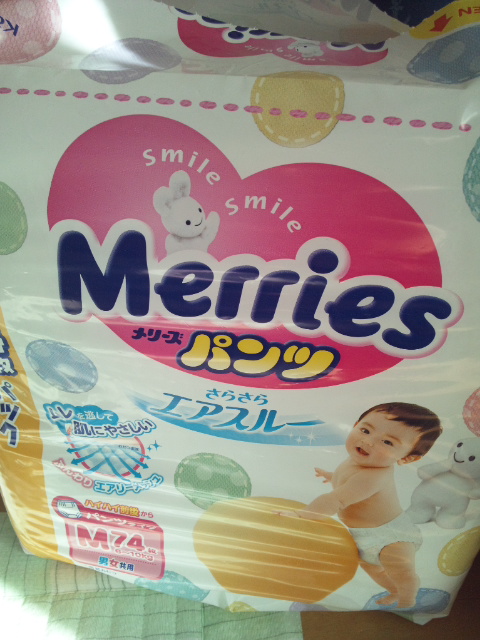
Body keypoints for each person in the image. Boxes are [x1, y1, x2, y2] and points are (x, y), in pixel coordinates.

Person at [279, 402, 442, 608]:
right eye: (365, 430)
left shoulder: (375, 476)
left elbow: (336, 499)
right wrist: (332, 476)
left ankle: (408, 599)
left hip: (391, 536)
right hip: (360, 535)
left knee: (401, 572)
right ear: (355, 425)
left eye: (387, 442)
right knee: (375, 571)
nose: (368, 441)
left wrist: (302, 515)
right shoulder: (356, 461)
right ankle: (394, 592)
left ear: (408, 458)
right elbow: (348, 481)